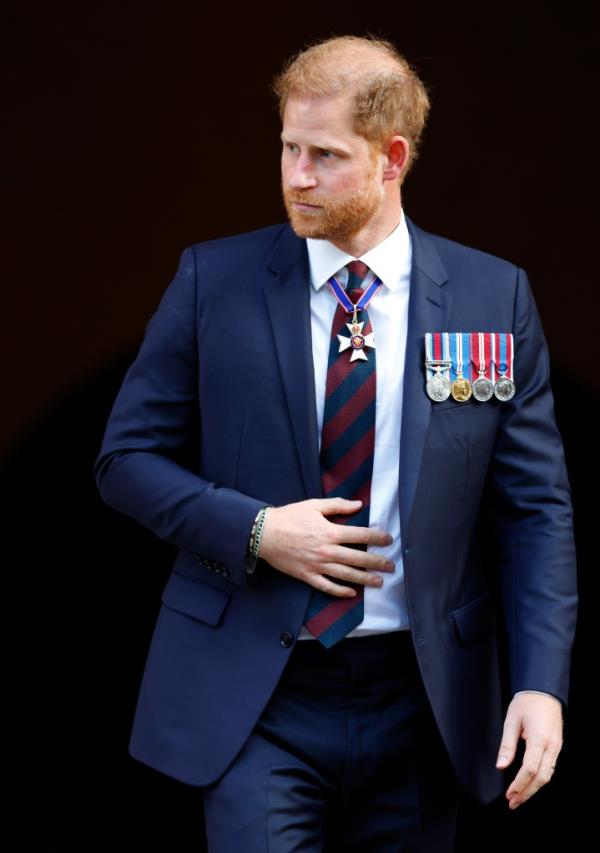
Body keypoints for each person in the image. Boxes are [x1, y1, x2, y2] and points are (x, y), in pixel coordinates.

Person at [93, 34, 578, 852]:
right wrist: (257, 530)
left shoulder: (494, 296)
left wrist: (540, 681)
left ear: (392, 159)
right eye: (287, 146)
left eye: (323, 154)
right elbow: (123, 461)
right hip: (259, 691)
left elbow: (534, 510)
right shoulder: (214, 281)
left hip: (425, 698)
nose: (294, 175)